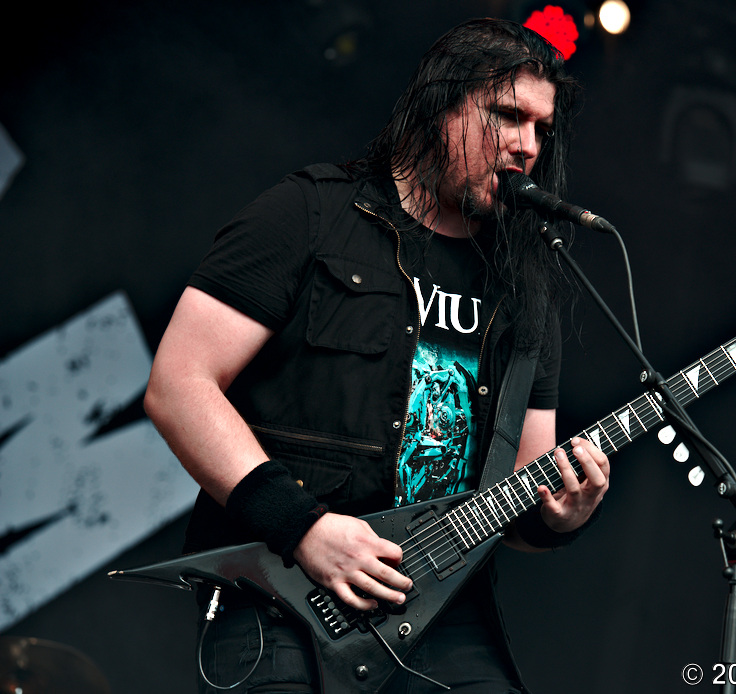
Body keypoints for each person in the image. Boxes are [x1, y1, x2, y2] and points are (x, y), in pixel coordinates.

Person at [144, 17, 609, 693]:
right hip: (285, 599)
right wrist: (304, 529)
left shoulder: (523, 289)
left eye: (543, 128)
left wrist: (559, 518)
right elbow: (178, 385)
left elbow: (521, 492)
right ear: (440, 109)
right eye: (508, 116)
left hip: (445, 619)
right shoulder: (309, 214)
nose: (528, 145)